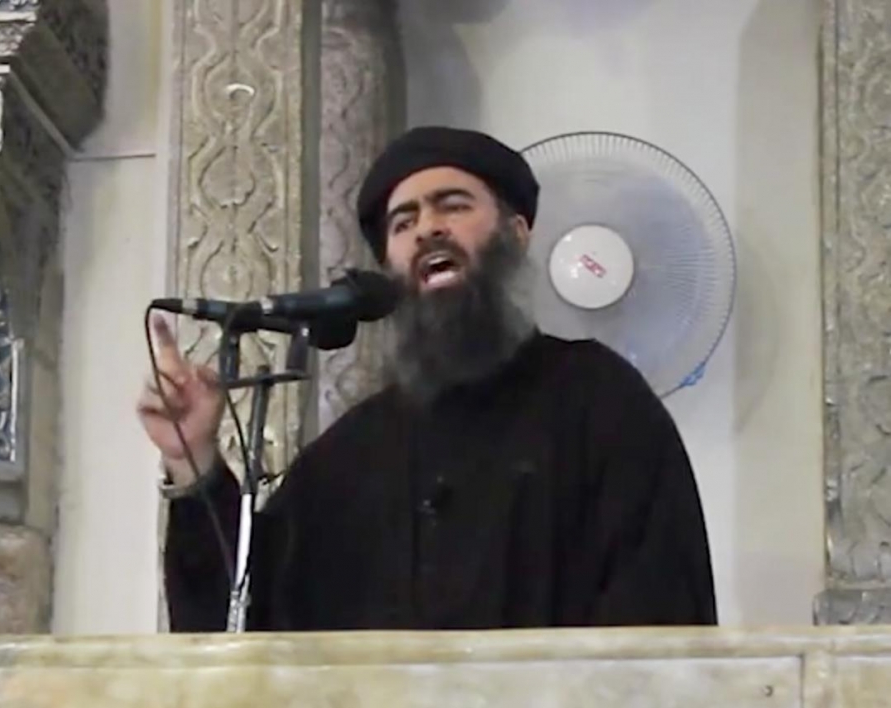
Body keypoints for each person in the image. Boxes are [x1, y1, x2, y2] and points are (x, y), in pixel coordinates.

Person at [137, 126, 717, 632]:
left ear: (516, 233)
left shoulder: (600, 402)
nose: (427, 229)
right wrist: (195, 462)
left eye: (453, 206)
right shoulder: (350, 455)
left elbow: (661, 623)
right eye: (404, 222)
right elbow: (236, 630)